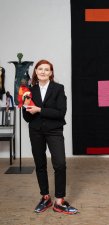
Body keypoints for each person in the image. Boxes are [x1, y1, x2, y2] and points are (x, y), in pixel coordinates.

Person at [22, 59, 78, 215]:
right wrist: (25, 105)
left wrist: (39, 109)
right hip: (36, 131)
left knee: (60, 164)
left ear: (51, 73)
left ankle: (59, 201)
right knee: (40, 165)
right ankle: (45, 197)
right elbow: (27, 118)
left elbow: (61, 113)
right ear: (36, 72)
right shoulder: (30, 90)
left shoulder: (58, 89)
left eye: (47, 69)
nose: (43, 72)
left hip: (54, 131)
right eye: (40, 69)